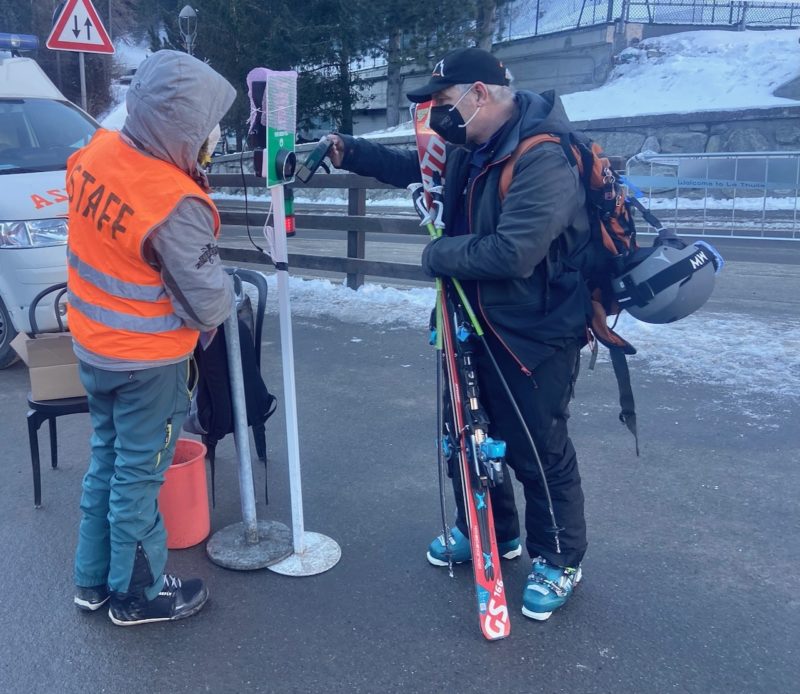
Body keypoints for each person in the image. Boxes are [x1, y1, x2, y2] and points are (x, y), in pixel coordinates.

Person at [328, 47, 591, 620]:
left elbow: (516, 251)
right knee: (469, 437)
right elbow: (414, 167)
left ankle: (560, 556)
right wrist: (351, 152)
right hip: (468, 320)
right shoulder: (471, 144)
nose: (439, 117)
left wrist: (437, 254)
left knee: (535, 448)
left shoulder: (543, 156)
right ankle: (491, 531)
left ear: (480, 94)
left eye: (445, 103)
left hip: (534, 332)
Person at [67, 50, 235, 626]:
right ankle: (137, 594)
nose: (215, 139)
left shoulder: (97, 151)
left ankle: (92, 581)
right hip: (148, 364)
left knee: (106, 466)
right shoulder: (173, 201)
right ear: (185, 129)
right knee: (137, 480)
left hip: (93, 349)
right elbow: (209, 303)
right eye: (209, 129)